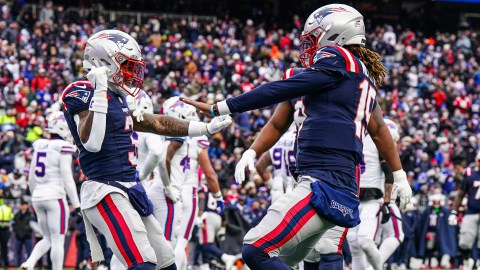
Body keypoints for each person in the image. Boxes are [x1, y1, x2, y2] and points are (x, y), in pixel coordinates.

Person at [181, 4, 412, 269]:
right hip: (338, 183)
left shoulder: (338, 61)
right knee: (303, 259)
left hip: (323, 182)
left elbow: (280, 89)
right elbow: (280, 124)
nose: (309, 48)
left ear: (336, 35)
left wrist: (223, 106)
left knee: (257, 250)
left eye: (313, 39)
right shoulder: (353, 79)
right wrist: (252, 152)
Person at [62, 29, 231, 270]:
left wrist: (204, 128)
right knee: (143, 265)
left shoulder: (116, 97)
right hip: (105, 191)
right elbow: (91, 142)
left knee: (167, 264)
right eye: (125, 65)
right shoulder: (82, 92)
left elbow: (157, 123)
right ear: (103, 61)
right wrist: (99, 91)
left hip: (131, 188)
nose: (131, 73)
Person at [21, 111, 80, 270]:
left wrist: (35, 195)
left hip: (38, 196)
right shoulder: (62, 146)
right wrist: (77, 204)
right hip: (55, 197)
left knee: (47, 237)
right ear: (61, 127)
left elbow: (32, 176)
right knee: (58, 240)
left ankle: (30, 262)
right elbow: (67, 179)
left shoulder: (39, 144)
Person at [347, 119, 400, 270]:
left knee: (365, 240)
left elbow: (389, 173)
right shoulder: (351, 138)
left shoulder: (377, 141)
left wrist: (387, 202)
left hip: (374, 199)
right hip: (354, 200)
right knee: (353, 242)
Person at [449, 152, 480, 270]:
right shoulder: (470, 174)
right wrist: (454, 212)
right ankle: (468, 261)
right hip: (471, 212)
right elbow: (460, 194)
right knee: (464, 242)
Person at [255, 124, 296, 203]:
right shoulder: (301, 138)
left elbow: (259, 166)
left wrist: (272, 185)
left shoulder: (279, 139)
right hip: (296, 189)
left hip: (278, 189)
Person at [13, 201, 32, 267]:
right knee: (18, 252)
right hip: (18, 236)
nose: (23, 206)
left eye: (25, 205)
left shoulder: (30, 215)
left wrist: (28, 231)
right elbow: (14, 224)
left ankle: (29, 265)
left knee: (29, 252)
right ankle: (18, 265)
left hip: (27, 236)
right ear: (20, 206)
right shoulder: (17, 215)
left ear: (27, 206)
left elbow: (32, 225)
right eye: (22, 205)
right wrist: (17, 232)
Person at [0, 191, 13, 269]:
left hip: (5, 229)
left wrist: (6, 222)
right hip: (4, 228)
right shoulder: (7, 208)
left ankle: (6, 263)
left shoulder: (7, 208)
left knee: (4, 247)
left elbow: (11, 217)